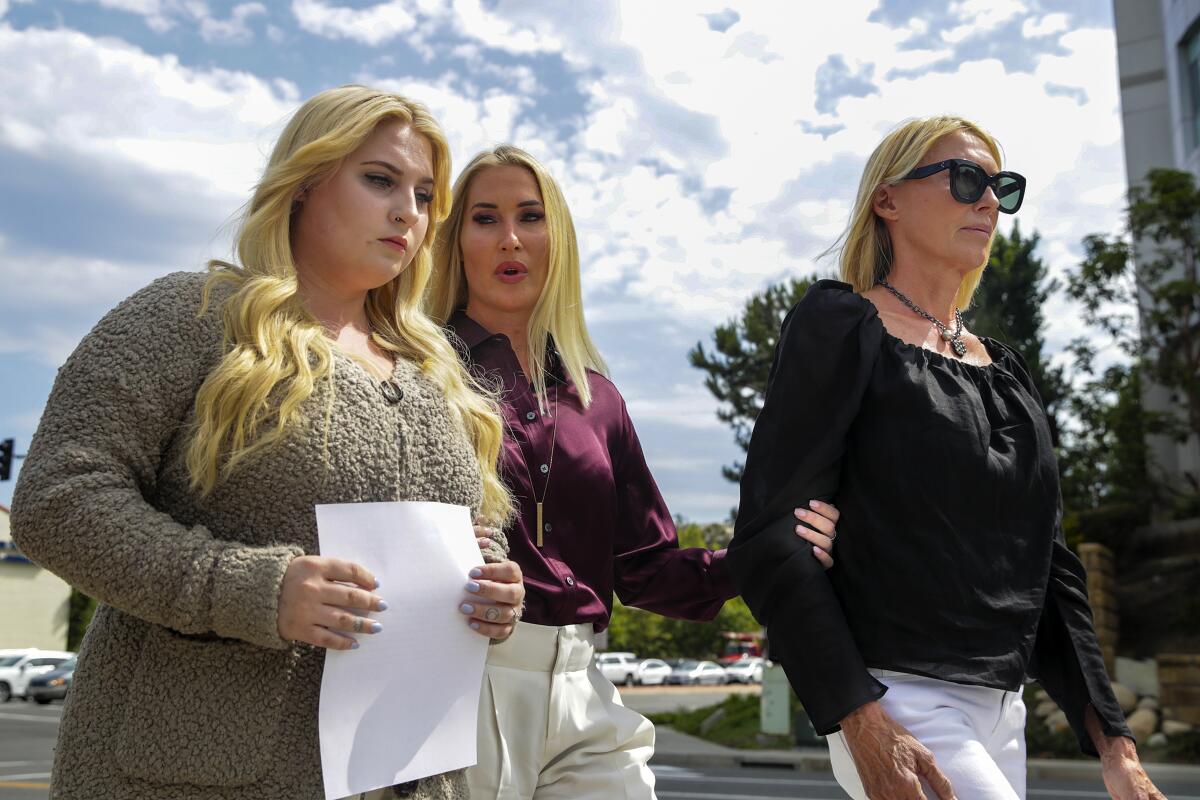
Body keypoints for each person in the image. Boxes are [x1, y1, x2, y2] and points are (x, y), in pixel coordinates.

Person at [10, 85, 524, 800]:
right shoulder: (190, 315)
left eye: (426, 194)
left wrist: (490, 583)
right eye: (380, 180)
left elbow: (471, 530)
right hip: (194, 777)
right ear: (305, 184)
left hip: (404, 772)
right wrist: (253, 588)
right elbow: (57, 500)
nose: (409, 211)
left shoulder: (439, 371)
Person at [727, 115, 1165, 800]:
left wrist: (1116, 746)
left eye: (1003, 187)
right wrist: (860, 720)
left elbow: (1050, 564)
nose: (988, 201)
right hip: (896, 695)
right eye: (966, 179)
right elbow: (768, 537)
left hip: (1003, 709)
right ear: (887, 198)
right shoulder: (842, 326)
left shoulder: (1009, 372)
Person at [425, 144, 841, 800]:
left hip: (586, 689)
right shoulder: (417, 373)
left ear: (557, 239)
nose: (510, 238)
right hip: (462, 679)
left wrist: (765, 554)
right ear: (454, 241)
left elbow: (645, 570)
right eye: (485, 218)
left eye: (530, 217)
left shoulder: (600, 399)